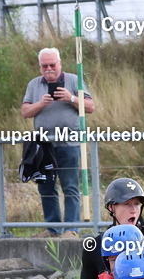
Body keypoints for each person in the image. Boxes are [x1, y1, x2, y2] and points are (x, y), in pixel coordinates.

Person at [21, 47, 94, 237]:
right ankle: (53, 229)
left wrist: (70, 98)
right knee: (46, 186)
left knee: (70, 186)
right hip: (44, 145)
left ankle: (71, 229)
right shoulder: (34, 85)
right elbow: (25, 112)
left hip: (69, 144)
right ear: (40, 67)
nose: (49, 69)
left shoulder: (73, 80)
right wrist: (40, 104)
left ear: (59, 63)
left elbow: (90, 107)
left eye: (52, 65)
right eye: (45, 66)